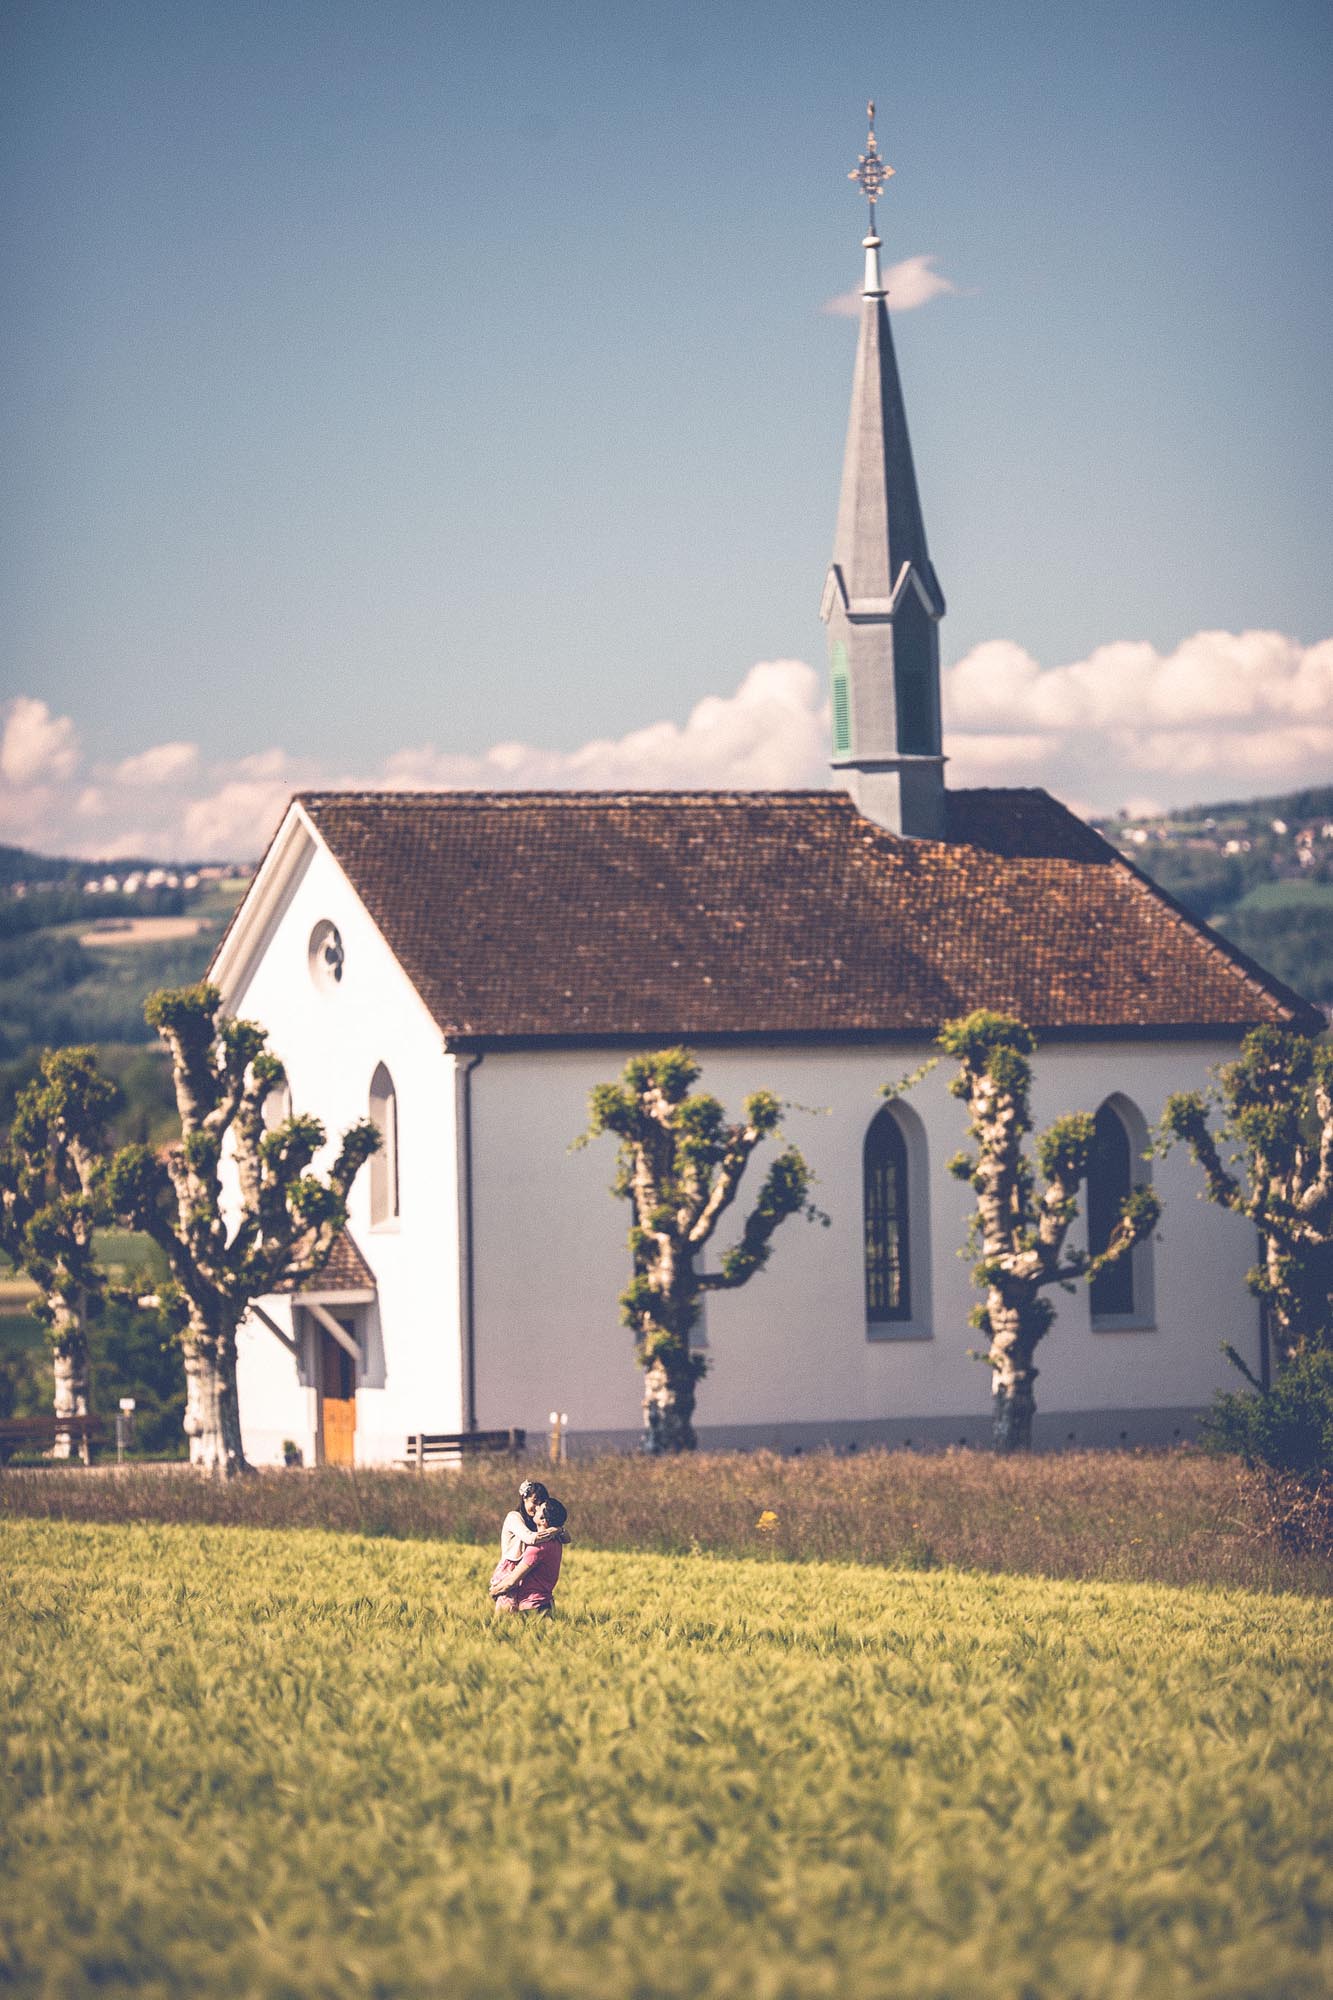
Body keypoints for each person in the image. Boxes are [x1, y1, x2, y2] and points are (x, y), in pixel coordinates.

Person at [490, 1495, 567, 1617]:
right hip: (547, 1603)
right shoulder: (557, 1541)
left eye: (540, 1508)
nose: (536, 1508)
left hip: (532, 1607)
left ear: (543, 1520)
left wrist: (494, 1591)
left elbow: (512, 1581)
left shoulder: (537, 1549)